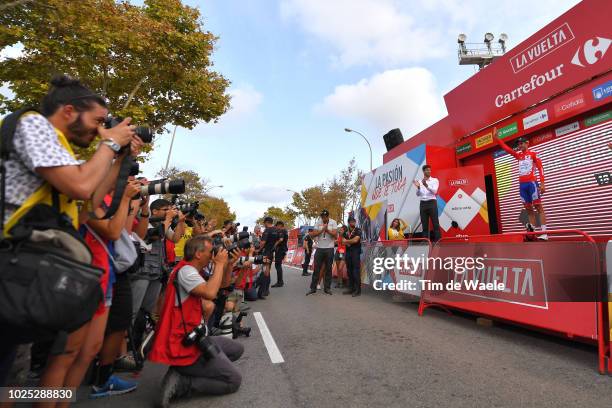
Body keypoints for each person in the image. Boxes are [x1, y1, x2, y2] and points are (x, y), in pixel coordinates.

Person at [0, 75, 136, 389]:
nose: (101, 129)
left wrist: (116, 159)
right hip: (10, 264)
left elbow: (86, 206)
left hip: (23, 272)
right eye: (98, 121)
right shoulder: (34, 125)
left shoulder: (60, 154)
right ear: (69, 111)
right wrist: (110, 142)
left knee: (9, 382)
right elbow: (80, 184)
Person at [149, 236, 243, 408]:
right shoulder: (186, 272)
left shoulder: (193, 271)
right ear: (199, 254)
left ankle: (200, 368)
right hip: (183, 345)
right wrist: (220, 264)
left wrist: (228, 265)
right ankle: (183, 383)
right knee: (233, 380)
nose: (212, 254)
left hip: (196, 336)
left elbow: (221, 285)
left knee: (237, 349)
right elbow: (210, 293)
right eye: (210, 251)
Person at [494, 131, 548, 240]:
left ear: (527, 143)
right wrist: (497, 139)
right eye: (518, 144)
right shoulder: (518, 155)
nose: (519, 145)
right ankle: (532, 234)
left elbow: (540, 168)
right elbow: (507, 149)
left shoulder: (533, 154)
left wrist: (542, 184)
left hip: (532, 183)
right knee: (528, 209)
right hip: (522, 186)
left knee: (539, 207)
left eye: (521, 143)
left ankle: (544, 233)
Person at [306, 209, 338, 295]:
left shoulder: (333, 222)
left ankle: (327, 288)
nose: (323, 218)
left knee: (328, 269)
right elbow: (313, 234)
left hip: (329, 248)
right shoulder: (318, 222)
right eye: (322, 217)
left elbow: (335, 235)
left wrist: (327, 230)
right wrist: (321, 230)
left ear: (328, 216)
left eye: (325, 217)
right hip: (319, 248)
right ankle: (313, 288)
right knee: (316, 268)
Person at [413, 165, 440, 242]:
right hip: (423, 204)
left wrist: (426, 185)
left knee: (435, 223)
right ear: (423, 171)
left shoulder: (435, 180)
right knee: (424, 224)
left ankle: (438, 241)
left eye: (429, 170)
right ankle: (425, 242)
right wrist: (418, 188)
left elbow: (435, 191)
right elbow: (418, 194)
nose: (429, 171)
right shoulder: (420, 181)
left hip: (432, 202)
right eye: (427, 170)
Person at [343, 216, 363, 297]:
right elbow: (344, 242)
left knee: (355, 271)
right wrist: (349, 242)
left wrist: (348, 241)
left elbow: (356, 240)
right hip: (348, 252)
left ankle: (358, 290)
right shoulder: (346, 231)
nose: (353, 223)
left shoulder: (358, 230)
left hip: (355, 251)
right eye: (351, 222)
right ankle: (351, 288)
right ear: (349, 222)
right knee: (349, 270)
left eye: (354, 221)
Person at [272, 220, 288, 288]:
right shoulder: (285, 231)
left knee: (278, 265)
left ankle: (280, 282)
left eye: (277, 226)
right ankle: (280, 281)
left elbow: (281, 239)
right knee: (278, 265)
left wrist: (274, 245)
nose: (276, 227)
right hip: (282, 250)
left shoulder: (282, 231)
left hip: (280, 250)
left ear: (280, 225)